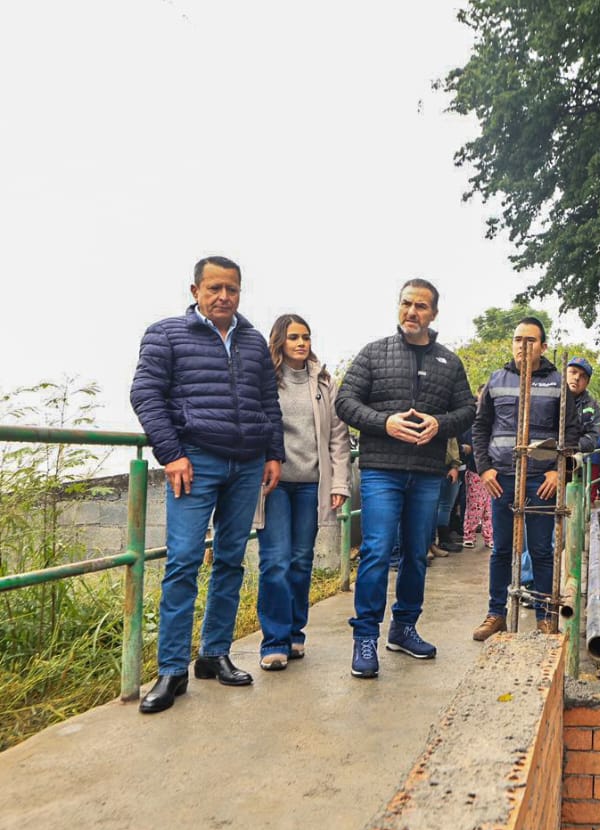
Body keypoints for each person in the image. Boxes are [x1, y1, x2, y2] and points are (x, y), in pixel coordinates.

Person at [129, 256, 284, 714]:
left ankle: (214, 654)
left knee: (231, 560)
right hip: (195, 461)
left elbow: (267, 402)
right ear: (195, 290)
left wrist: (272, 452)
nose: (223, 297)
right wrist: (171, 454)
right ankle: (172, 669)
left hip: (248, 463)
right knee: (182, 562)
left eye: (231, 289)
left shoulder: (254, 340)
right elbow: (145, 394)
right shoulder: (166, 333)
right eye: (214, 288)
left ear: (240, 292)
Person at [336, 279, 475, 679]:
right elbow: (346, 402)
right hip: (382, 469)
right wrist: (385, 422)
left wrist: (440, 423)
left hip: (428, 472)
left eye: (420, 306)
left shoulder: (450, 362)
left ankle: (404, 627)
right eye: (406, 304)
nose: (411, 312)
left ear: (434, 313)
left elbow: (468, 410)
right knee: (378, 550)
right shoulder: (374, 353)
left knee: (417, 552)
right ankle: (365, 636)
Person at [471, 317, 580, 640]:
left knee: (542, 550)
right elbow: (480, 428)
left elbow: (570, 432)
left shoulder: (557, 383)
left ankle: (546, 617)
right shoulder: (497, 380)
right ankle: (496, 613)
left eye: (530, 341)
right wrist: (485, 468)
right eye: (518, 340)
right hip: (501, 478)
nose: (523, 346)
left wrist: (557, 471)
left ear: (543, 347)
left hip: (540, 481)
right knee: (502, 550)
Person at [254, 315, 351, 671]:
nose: (301, 343)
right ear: (279, 341)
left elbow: (339, 439)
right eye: (293, 337)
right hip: (274, 484)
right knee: (274, 562)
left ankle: (295, 633)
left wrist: (339, 483)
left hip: (312, 483)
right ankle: (274, 640)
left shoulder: (324, 382)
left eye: (306, 337)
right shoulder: (264, 380)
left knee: (300, 561)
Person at [460, 422, 493, 549]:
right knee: (474, 505)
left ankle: (489, 536)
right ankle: (469, 535)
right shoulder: (474, 428)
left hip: (492, 471)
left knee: (489, 507)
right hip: (475, 471)